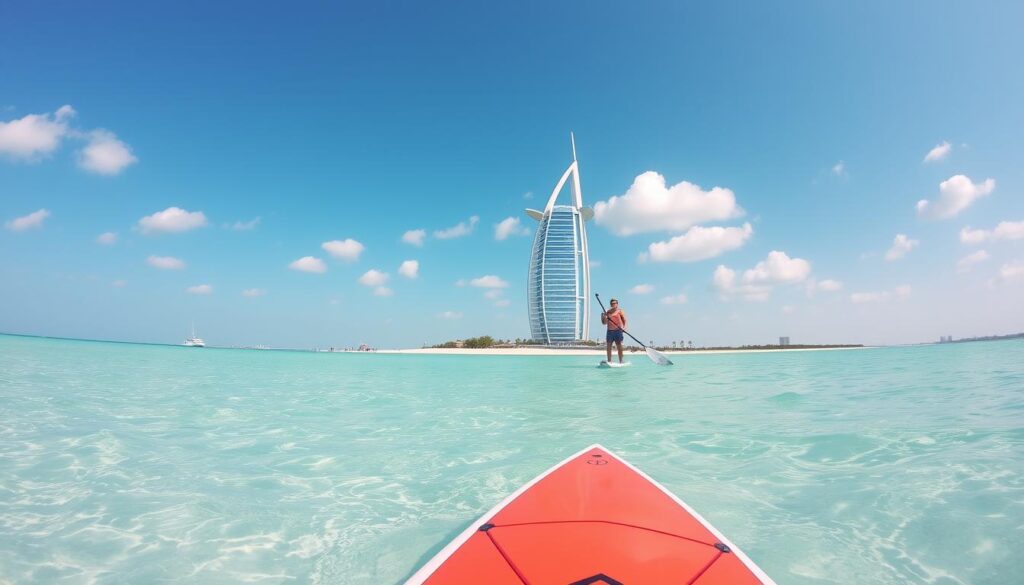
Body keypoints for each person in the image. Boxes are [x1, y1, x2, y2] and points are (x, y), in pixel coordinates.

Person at [601, 298, 627, 363]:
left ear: (617, 304)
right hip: (610, 331)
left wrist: (624, 328)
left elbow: (625, 320)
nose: (613, 304)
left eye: (614, 303)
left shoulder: (620, 311)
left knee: (619, 347)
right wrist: (603, 316)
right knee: (608, 347)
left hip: (618, 331)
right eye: (612, 303)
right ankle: (609, 361)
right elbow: (604, 323)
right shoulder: (608, 312)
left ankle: (621, 361)